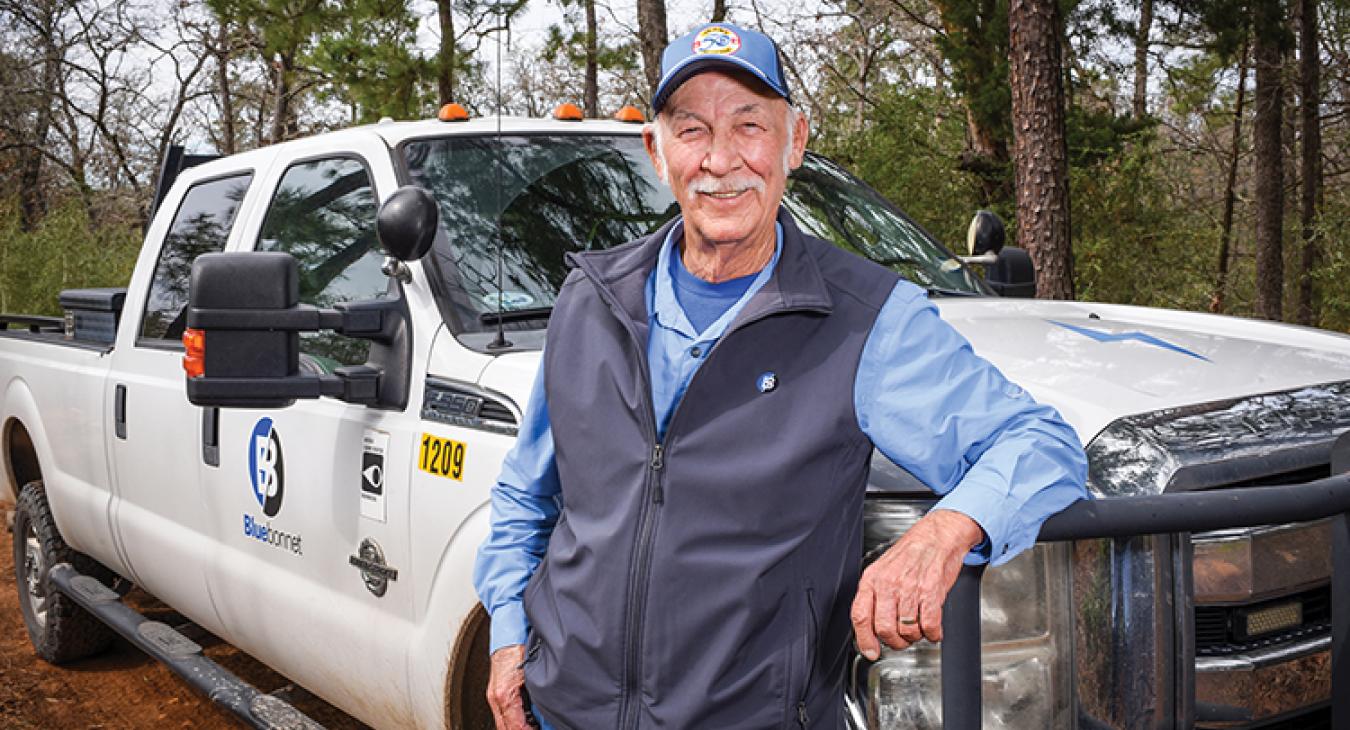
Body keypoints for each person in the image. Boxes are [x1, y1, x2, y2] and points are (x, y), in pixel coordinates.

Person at [474, 21, 1088, 730]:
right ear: (657, 151)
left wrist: (941, 533)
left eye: (750, 125)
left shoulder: (865, 320)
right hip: (563, 713)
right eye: (693, 129)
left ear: (794, 141)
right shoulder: (590, 299)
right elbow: (527, 495)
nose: (721, 159)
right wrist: (509, 636)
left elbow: (1038, 440)